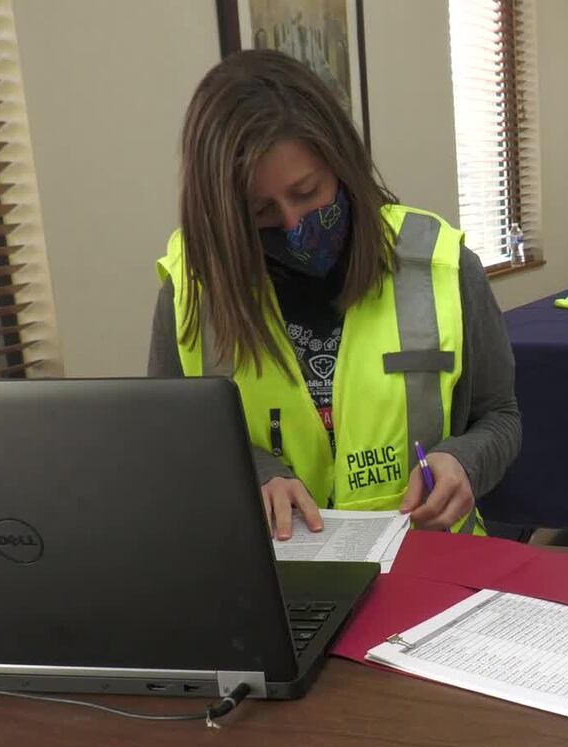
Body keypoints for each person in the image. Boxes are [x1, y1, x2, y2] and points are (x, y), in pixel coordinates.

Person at [148, 50, 521, 540]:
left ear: (342, 164)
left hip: (428, 564)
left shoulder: (442, 267)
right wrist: (256, 473)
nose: (293, 225)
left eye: (307, 193)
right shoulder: (193, 292)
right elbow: (173, 441)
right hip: (280, 578)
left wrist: (464, 461)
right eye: (261, 212)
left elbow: (500, 416)